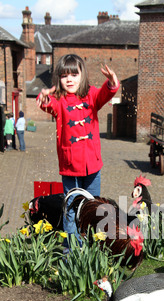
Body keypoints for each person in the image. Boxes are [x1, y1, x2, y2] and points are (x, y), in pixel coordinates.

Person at [36, 53, 120, 249]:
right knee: (71, 210)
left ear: (82, 75)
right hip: (70, 168)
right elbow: (47, 105)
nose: (70, 79)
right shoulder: (59, 100)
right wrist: (44, 96)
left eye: (74, 74)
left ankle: (91, 248)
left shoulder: (91, 95)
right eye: (65, 76)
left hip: (93, 166)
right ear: (59, 78)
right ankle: (71, 251)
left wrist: (112, 81)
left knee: (92, 208)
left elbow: (106, 94)